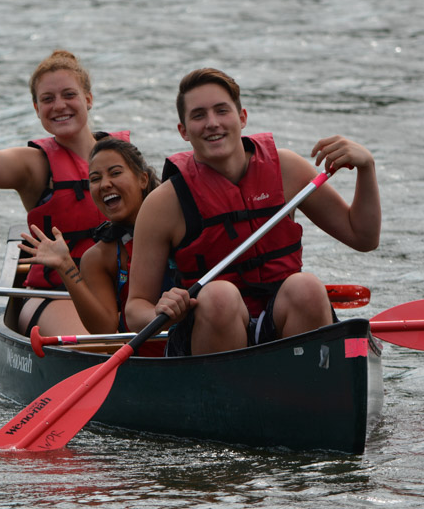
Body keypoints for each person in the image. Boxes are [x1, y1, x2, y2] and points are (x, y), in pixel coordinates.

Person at [124, 67, 381, 356]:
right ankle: (223, 395)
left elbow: (364, 237)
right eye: (198, 115)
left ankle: (309, 389)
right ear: (183, 131)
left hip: (283, 320)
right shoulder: (163, 204)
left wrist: (366, 168)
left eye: (222, 111)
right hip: (209, 328)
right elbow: (135, 310)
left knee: (306, 287)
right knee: (220, 295)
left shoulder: (287, 169)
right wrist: (164, 311)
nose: (212, 123)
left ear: (242, 117)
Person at [0, 31, 128, 336]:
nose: (59, 105)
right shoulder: (35, 165)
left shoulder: (124, 157)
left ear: (88, 99)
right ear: (36, 109)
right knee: (93, 344)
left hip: (120, 291)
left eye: (69, 95)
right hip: (56, 295)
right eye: (47, 99)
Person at [17, 138, 163, 334]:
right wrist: (65, 265)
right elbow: (104, 329)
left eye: (116, 173)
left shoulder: (176, 227)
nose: (104, 184)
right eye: (95, 179)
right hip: (139, 353)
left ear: (143, 179)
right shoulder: (97, 257)